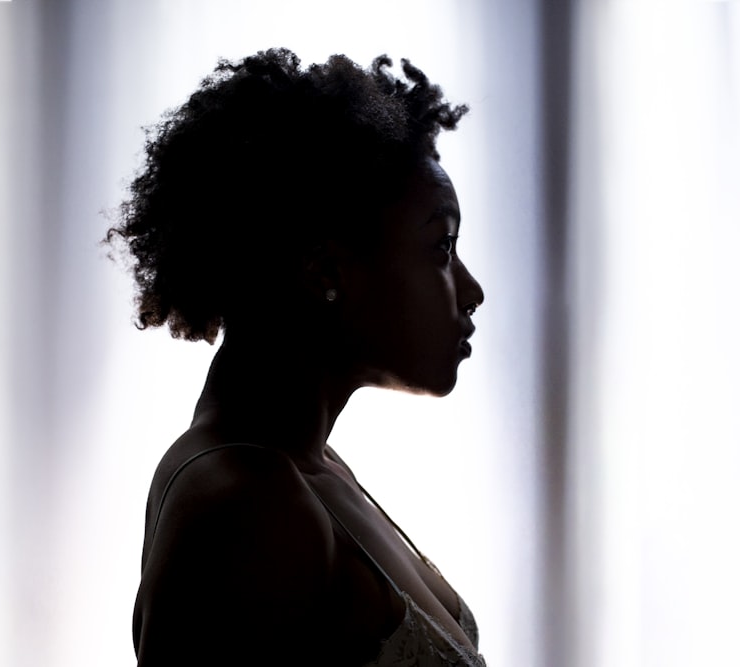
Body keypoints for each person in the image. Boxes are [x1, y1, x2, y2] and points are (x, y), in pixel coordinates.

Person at [106, 48, 486, 666]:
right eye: (441, 247)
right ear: (326, 269)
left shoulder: (310, 468)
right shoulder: (246, 504)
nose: (472, 291)